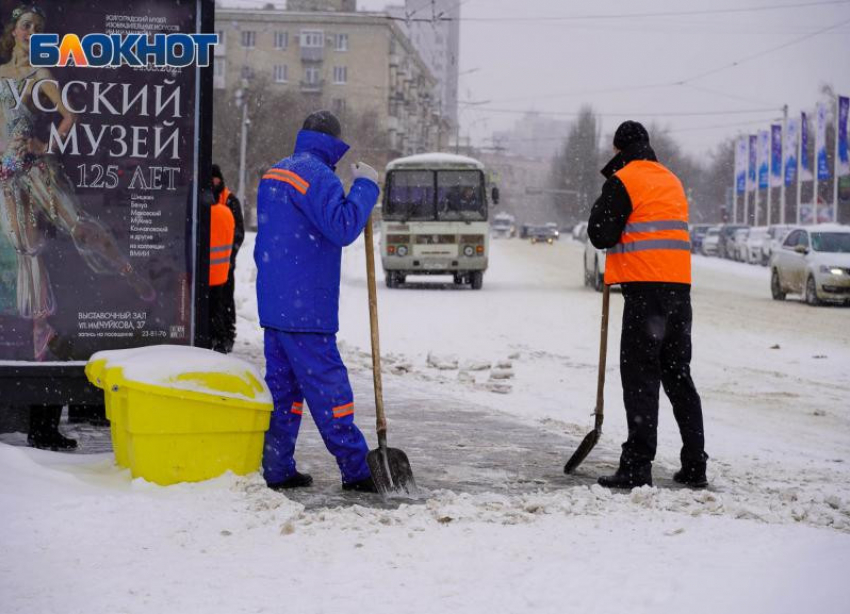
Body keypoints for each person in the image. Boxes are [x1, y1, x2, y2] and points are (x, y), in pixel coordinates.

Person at [0, 5, 155, 362]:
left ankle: (127, 270)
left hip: (35, 166)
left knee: (80, 227)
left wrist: (46, 145)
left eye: (38, 28)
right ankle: (41, 325)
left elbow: (70, 115)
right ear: (13, 30)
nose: (31, 33)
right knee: (26, 246)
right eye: (26, 26)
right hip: (6, 173)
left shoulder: (39, 73)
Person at [255, 110, 380, 492]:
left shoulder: (275, 172)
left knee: (283, 393)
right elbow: (342, 226)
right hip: (305, 309)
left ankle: (276, 467)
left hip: (276, 306)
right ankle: (357, 470)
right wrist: (365, 188)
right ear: (332, 144)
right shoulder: (316, 175)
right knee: (330, 392)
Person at [587, 121, 708, 489]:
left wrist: (609, 185)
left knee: (640, 378)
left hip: (646, 295)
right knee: (678, 375)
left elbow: (600, 233)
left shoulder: (625, 180)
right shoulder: (670, 180)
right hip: (679, 293)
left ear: (617, 149)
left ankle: (637, 466)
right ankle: (695, 464)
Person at [209, 165, 244, 353]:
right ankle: (214, 335)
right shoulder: (208, 199)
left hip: (224, 264)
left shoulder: (230, 201)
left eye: (216, 179)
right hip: (211, 265)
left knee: (225, 301)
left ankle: (227, 336)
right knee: (214, 303)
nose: (214, 183)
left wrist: (230, 258)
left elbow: (239, 233)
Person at [208, 174, 236, 353]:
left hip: (211, 270)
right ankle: (222, 341)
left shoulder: (208, 212)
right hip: (222, 270)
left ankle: (218, 340)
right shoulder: (227, 211)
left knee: (213, 310)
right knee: (220, 308)